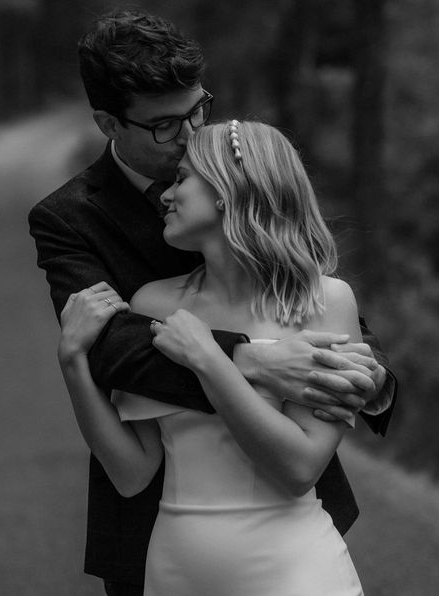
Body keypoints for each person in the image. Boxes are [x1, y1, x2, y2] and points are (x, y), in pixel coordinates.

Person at [28, 9, 396, 595]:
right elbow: (115, 347)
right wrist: (249, 358)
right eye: (165, 125)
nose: (191, 132)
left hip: (285, 547)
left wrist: (366, 377)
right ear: (108, 122)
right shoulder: (70, 219)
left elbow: (318, 318)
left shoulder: (227, 169)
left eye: (198, 109)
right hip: (160, 540)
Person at [58, 120, 365, 594]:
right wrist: (73, 362)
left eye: (181, 179)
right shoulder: (151, 304)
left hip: (292, 572)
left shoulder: (324, 301)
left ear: (226, 190)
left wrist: (209, 356)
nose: (164, 195)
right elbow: (132, 473)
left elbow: (300, 469)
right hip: (175, 569)